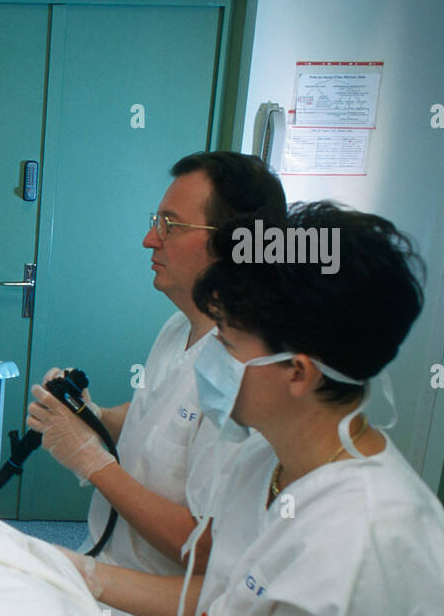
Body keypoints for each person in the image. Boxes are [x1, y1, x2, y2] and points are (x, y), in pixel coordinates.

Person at [60, 202, 444, 616]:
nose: (207, 361)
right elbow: (223, 600)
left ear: (299, 373)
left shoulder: (363, 543)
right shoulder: (264, 458)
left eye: (225, 343)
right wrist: (80, 580)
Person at [29, 152, 285, 576]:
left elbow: (201, 551)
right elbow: (158, 418)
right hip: (103, 561)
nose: (150, 239)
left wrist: (91, 461)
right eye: (157, 220)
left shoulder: (246, 374)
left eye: (171, 225)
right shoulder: (177, 327)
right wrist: (94, 416)